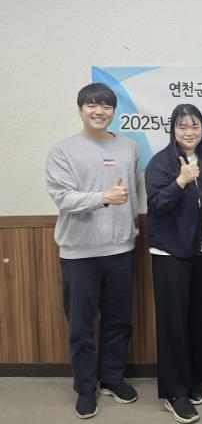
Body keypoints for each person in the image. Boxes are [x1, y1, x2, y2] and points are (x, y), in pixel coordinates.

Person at [45, 83, 140, 419]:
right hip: (79, 252)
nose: (99, 111)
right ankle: (86, 388)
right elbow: (62, 198)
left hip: (121, 248)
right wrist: (102, 198)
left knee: (119, 321)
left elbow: (133, 194)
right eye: (92, 105)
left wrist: (131, 228)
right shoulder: (62, 150)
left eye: (106, 106)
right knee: (81, 326)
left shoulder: (129, 148)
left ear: (114, 111)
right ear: (80, 109)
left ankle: (112, 378)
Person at [145, 104, 202, 424]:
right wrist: (180, 181)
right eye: (182, 126)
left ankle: (191, 379)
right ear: (173, 130)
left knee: (199, 319)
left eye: (194, 126)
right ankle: (173, 392)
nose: (189, 132)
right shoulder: (160, 162)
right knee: (173, 323)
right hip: (170, 252)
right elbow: (156, 206)